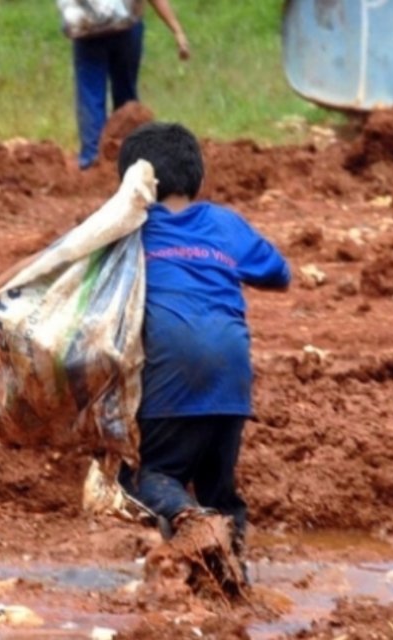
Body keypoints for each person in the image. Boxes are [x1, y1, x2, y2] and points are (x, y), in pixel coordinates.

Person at [115, 122, 291, 557]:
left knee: (151, 478)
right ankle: (232, 582)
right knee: (219, 491)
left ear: (133, 183)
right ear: (197, 177)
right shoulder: (223, 224)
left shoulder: (126, 229)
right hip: (231, 380)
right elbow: (278, 274)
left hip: (171, 373)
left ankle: (190, 522)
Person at [57, 0, 189, 170]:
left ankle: (93, 161)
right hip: (126, 27)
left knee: (90, 96)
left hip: (87, 28)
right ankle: (131, 159)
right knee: (126, 96)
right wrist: (177, 30)